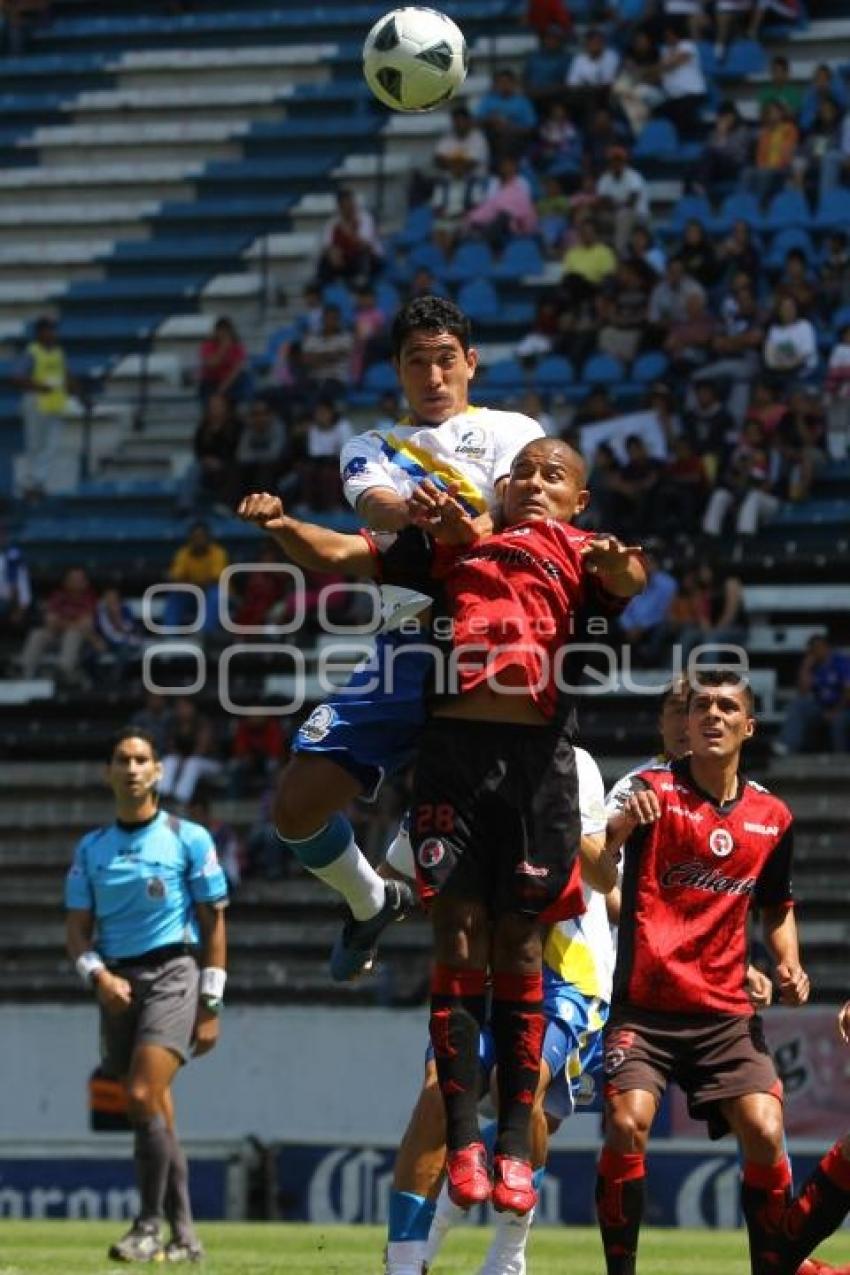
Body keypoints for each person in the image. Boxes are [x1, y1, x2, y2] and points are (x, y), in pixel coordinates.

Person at [238, 436, 647, 1213]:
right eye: (520, 471)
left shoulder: (579, 549)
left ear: (578, 499)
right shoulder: (451, 543)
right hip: (454, 756)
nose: (531, 482)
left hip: (538, 762)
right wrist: (282, 526)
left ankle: (509, 1153)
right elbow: (344, 554)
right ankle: (464, 1139)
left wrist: (618, 564)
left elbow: (629, 575)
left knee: (520, 942)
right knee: (455, 936)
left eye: (551, 475)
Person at [241, 297, 546, 984]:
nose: (433, 375)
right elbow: (373, 509)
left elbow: (515, 509)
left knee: (468, 819)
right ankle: (370, 899)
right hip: (405, 642)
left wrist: (464, 519)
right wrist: (410, 510)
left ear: (471, 362)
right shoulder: (370, 446)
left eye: (446, 359)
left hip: (493, 638)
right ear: (397, 371)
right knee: (294, 806)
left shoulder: (512, 429)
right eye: (417, 362)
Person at [596, 670, 811, 1275]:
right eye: (700, 708)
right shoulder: (648, 791)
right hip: (645, 1009)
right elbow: (595, 868)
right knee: (625, 1122)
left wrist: (787, 962)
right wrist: (618, 830)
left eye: (725, 707)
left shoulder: (773, 816)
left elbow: (776, 908)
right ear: (685, 727)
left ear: (748, 726)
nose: (712, 716)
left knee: (766, 1130)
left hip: (725, 1016)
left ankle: (770, 1269)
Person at [383, 745, 618, 1275]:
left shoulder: (571, 763)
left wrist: (544, 806)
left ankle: (509, 1253)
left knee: (521, 1085)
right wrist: (363, 916)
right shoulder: (445, 759)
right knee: (435, 1098)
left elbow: (604, 878)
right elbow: (394, 868)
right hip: (476, 975)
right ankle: (402, 1265)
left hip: (562, 972)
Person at [64, 728, 228, 1263]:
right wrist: (98, 976)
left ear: (158, 771)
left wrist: (211, 1003)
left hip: (174, 973)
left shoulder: (188, 838)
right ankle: (187, 1238)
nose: (132, 768)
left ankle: (147, 1226)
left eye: (141, 759)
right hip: (116, 981)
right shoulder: (91, 850)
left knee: (138, 1095)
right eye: (122, 760)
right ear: (107, 773)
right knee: (154, 1106)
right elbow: (76, 933)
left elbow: (214, 923)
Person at [12, 315, 78, 499]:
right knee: (35, 444)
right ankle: (31, 482)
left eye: (53, 330)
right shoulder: (32, 352)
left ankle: (37, 482)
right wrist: (39, 386)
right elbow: (17, 377)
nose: (52, 334)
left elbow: (67, 376)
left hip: (55, 403)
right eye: (49, 330)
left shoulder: (58, 352)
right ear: (40, 333)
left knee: (51, 446)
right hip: (36, 401)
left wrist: (75, 389)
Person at [773, 633, 850, 756]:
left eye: (819, 647)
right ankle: (787, 746)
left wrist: (835, 711)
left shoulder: (841, 662)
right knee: (798, 705)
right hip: (821, 708)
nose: (816, 651)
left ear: (827, 647)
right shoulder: (814, 666)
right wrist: (805, 667)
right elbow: (803, 691)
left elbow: (847, 692)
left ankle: (840, 758)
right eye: (813, 649)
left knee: (839, 721)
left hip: (843, 708)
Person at [19, 564, 97, 685]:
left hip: (83, 641)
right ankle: (24, 671)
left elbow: (86, 625)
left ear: (86, 582)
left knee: (73, 634)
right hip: (56, 637)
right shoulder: (58, 596)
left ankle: (64, 671)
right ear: (65, 582)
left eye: (80, 579)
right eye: (73, 579)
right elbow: (50, 621)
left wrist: (62, 623)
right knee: (38, 634)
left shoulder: (89, 598)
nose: (76, 582)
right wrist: (72, 623)